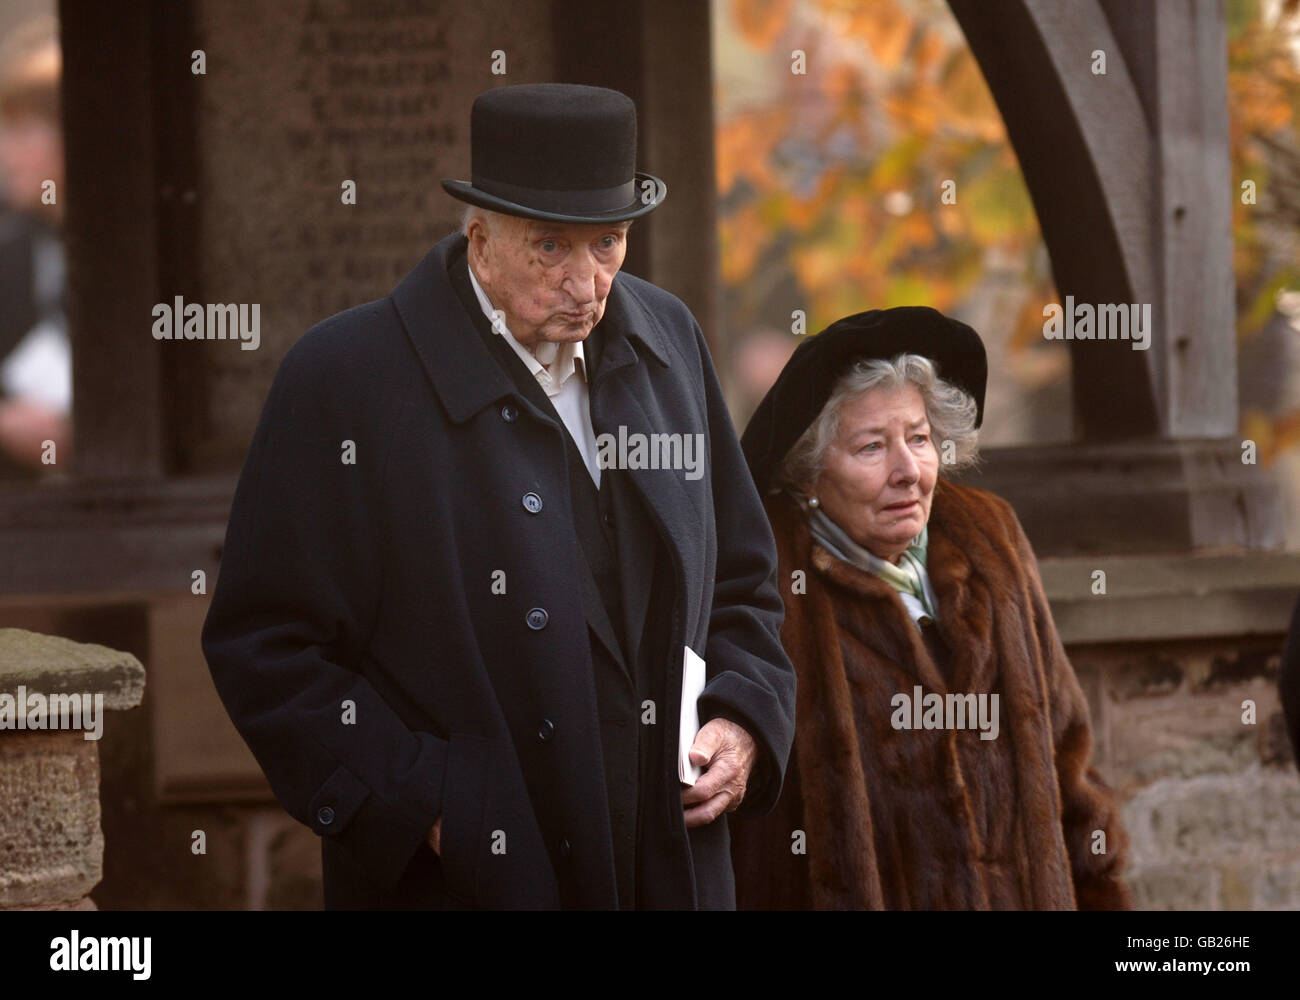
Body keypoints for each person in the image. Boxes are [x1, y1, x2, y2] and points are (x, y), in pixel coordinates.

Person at [201, 83, 796, 910]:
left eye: (609, 244)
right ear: (479, 238)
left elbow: (742, 583)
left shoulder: (670, 340)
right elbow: (267, 649)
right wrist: (426, 802)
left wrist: (744, 719)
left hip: (671, 869)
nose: (587, 283)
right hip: (468, 882)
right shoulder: (346, 380)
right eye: (552, 248)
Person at [729, 307, 1131, 909]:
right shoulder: (769, 575)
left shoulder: (989, 536)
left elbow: (1066, 755)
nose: (908, 472)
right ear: (809, 470)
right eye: (871, 447)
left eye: (918, 439)